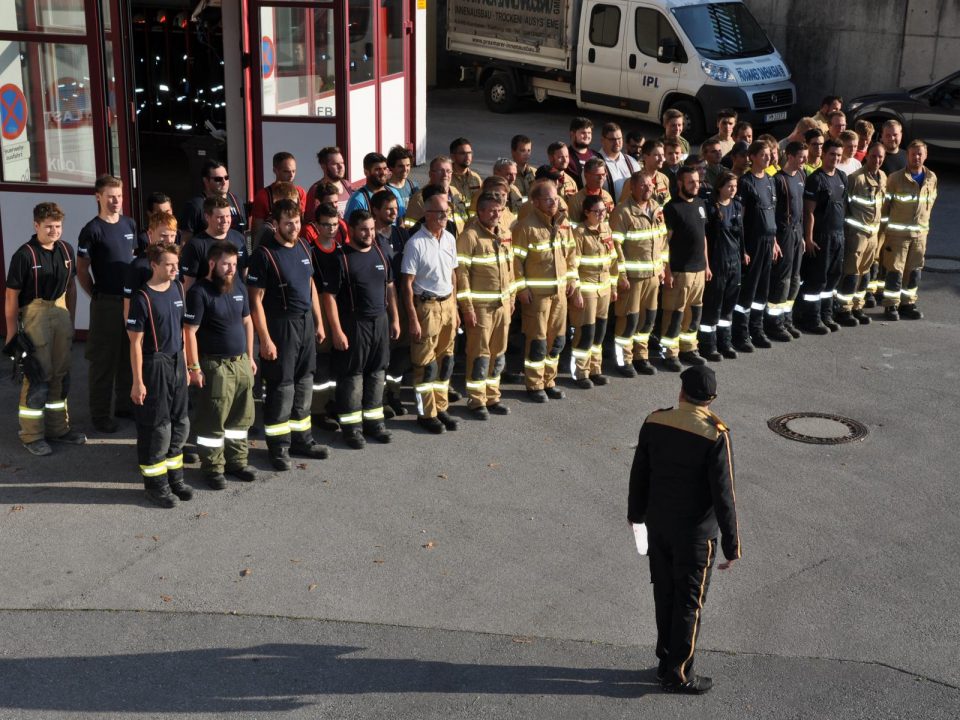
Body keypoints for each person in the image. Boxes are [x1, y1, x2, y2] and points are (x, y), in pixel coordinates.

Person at [627, 365, 740, 694]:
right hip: (695, 536)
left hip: (658, 527)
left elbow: (640, 474)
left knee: (664, 595)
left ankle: (666, 660)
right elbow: (724, 495)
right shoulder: (716, 434)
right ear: (712, 398)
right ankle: (679, 673)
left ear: (681, 392)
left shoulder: (655, 421)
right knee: (688, 603)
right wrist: (732, 548)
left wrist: (636, 515)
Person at [247, 199, 331, 469]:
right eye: (287, 223)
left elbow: (310, 285)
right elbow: (255, 300)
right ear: (276, 224)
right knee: (281, 388)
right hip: (281, 327)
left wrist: (318, 322)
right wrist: (266, 339)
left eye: (296, 222)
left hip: (305, 323)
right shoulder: (264, 254)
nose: (293, 227)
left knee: (304, 383)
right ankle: (278, 447)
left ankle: (302, 440)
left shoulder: (304, 246)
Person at [4, 202, 85, 455]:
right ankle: (31, 435)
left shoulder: (66, 250)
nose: (54, 231)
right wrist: (11, 335)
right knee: (38, 374)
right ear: (36, 225)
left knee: (61, 374)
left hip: (60, 312)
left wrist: (70, 320)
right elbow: (11, 297)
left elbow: (71, 288)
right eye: (48, 226)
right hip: (34, 313)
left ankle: (58, 429)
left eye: (58, 226)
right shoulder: (24, 255)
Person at [321, 210, 400, 448]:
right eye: (364, 229)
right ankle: (352, 429)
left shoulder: (380, 252)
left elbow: (390, 287)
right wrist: (337, 331)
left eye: (372, 229)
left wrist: (394, 319)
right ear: (352, 230)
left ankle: (374, 424)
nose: (369, 234)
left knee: (377, 373)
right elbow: (329, 297)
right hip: (355, 325)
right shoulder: (341, 258)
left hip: (380, 321)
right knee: (352, 376)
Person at [184, 242, 258, 488]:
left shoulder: (238, 286)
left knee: (240, 418)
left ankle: (237, 462)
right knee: (212, 419)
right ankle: (213, 468)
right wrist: (194, 367)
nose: (231, 269)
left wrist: (250, 356)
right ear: (212, 263)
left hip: (241, 364)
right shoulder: (199, 292)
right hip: (215, 367)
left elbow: (247, 322)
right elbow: (190, 332)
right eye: (226, 264)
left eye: (235, 264)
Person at [126, 242, 193, 508]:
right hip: (155, 365)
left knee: (180, 423)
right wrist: (138, 381)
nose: (175, 268)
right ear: (154, 265)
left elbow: (181, 333)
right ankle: (156, 485)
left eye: (176, 263)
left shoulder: (178, 288)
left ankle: (174, 478)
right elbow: (134, 343)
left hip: (176, 363)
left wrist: (186, 366)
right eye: (169, 264)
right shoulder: (142, 298)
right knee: (157, 428)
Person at [77, 174, 138, 433]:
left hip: (129, 301)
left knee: (127, 355)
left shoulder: (129, 224)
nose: (116, 201)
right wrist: (97, 296)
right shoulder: (92, 230)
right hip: (106, 304)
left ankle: (124, 405)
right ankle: (100, 415)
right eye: (111, 196)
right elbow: (82, 271)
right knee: (103, 361)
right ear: (98, 197)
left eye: (119, 196)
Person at [512, 180, 577, 401]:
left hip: (560, 293)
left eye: (556, 198)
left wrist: (572, 281)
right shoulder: (525, 227)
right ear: (536, 201)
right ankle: (534, 384)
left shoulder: (563, 224)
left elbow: (571, 256)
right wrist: (521, 288)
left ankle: (550, 381)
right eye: (548, 199)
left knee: (557, 340)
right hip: (537, 296)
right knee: (538, 341)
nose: (554, 202)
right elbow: (515, 262)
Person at [401, 192, 460, 433]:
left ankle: (441, 407)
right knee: (426, 365)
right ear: (427, 214)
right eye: (440, 213)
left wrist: (455, 308)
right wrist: (413, 319)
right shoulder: (415, 243)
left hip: (447, 305)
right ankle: (426, 414)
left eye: (447, 213)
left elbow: (453, 275)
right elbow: (406, 284)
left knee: (445, 362)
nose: (445, 217)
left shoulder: (449, 238)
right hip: (426, 308)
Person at [456, 192, 515, 417]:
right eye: (491, 210)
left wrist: (510, 299)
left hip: (502, 306)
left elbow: (510, 271)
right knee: (480, 355)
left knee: (498, 353)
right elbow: (462, 276)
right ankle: (476, 400)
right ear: (479, 211)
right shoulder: (469, 237)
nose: (496, 214)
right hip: (481, 309)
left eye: (499, 210)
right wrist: (468, 309)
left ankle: (492, 396)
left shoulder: (504, 234)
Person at [609, 173, 665, 377]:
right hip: (632, 277)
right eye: (643, 185)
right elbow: (615, 247)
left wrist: (661, 268)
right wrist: (621, 275)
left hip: (652, 276)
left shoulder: (657, 209)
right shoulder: (622, 212)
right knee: (628, 319)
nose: (647, 188)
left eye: (650, 185)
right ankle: (624, 360)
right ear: (632, 187)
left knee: (648, 319)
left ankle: (641, 356)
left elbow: (663, 240)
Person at [660, 166, 710, 372]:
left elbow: (703, 237)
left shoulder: (700, 204)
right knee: (674, 314)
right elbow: (664, 243)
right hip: (680, 271)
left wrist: (706, 264)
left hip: (699, 270)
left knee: (694, 313)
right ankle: (669, 353)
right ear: (680, 183)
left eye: (697, 182)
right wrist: (668, 271)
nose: (695, 186)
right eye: (691, 182)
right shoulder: (672, 209)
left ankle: (689, 348)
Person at [880, 139, 937, 321]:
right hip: (898, 236)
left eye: (920, 154)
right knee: (895, 270)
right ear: (907, 156)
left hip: (920, 236)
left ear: (926, 155)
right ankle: (891, 305)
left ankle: (908, 303)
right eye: (913, 154)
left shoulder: (931, 178)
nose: (917, 157)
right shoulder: (895, 179)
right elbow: (885, 206)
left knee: (914, 271)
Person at [732, 142, 781, 352]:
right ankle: (741, 333)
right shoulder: (745, 182)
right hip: (752, 243)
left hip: (769, 241)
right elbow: (740, 219)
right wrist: (742, 248)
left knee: (763, 288)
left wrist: (776, 242)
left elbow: (772, 212)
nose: (767, 158)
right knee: (748, 290)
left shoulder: (770, 180)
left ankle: (757, 328)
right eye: (762, 155)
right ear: (752, 157)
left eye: (769, 155)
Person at [797, 139, 847, 334]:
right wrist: (809, 238)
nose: (835, 158)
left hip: (838, 236)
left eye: (838, 155)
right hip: (821, 237)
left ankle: (826, 315)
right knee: (817, 279)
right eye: (832, 154)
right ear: (824, 155)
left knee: (832, 277)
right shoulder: (816, 179)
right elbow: (808, 212)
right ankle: (811, 318)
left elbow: (842, 206)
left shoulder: (842, 177)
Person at [569, 194, 618, 388]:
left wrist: (613, 285)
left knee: (599, 332)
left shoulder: (606, 228)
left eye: (603, 211)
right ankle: (580, 372)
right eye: (596, 212)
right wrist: (576, 292)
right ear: (586, 213)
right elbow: (572, 265)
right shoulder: (579, 233)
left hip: (604, 288)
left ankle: (595, 369)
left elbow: (613, 259)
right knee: (586, 332)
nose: (600, 215)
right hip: (587, 289)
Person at [835, 142, 886, 326]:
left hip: (873, 235)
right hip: (856, 234)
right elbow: (845, 207)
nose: (877, 160)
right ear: (867, 156)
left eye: (880, 157)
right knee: (851, 272)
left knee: (865, 273)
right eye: (873, 156)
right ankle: (843, 309)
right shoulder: (856, 179)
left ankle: (857, 306)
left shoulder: (883, 177)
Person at [369, 191, 411, 418]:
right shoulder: (370, 237)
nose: (394, 213)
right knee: (382, 354)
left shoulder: (402, 234)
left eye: (396, 208)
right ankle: (381, 398)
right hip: (381, 304)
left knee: (402, 352)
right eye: (388, 209)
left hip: (403, 301)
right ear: (375, 211)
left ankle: (394, 393)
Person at [698, 173, 746, 362]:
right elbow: (705, 238)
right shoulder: (710, 207)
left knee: (728, 305)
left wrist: (744, 253)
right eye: (729, 186)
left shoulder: (736, 206)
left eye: (735, 186)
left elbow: (740, 232)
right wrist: (707, 264)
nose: (733, 189)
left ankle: (724, 342)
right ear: (720, 187)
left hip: (734, 260)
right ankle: (708, 345)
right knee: (713, 305)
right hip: (717, 261)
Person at [304, 202, 342, 432]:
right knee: (322, 363)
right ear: (316, 226)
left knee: (336, 363)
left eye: (335, 224)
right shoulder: (310, 252)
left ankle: (333, 402)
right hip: (320, 313)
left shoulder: (340, 249)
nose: (331, 229)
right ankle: (318, 410)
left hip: (338, 311)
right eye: (326, 225)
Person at [769, 141, 809, 339]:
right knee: (782, 280)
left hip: (796, 233)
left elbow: (801, 210)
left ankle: (787, 319)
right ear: (790, 156)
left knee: (795, 279)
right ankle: (775, 324)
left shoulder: (802, 175)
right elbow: (773, 214)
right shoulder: (778, 180)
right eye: (801, 156)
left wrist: (801, 236)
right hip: (783, 233)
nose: (805, 160)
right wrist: (775, 241)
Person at [180, 196, 248, 291]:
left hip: (236, 301)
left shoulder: (239, 238)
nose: (225, 221)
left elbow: (244, 274)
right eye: (220, 217)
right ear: (207, 217)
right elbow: (188, 286)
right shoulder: (195, 245)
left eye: (228, 216)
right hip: (208, 301)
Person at [125, 211, 179, 321]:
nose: (169, 240)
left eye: (172, 235)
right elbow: (128, 306)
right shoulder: (138, 265)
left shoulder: (176, 261)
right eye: (163, 236)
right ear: (150, 234)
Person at [178, 160, 247, 244]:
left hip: (236, 254)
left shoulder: (236, 201)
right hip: (208, 254)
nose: (224, 182)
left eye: (226, 177)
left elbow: (243, 232)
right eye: (218, 179)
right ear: (206, 181)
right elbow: (185, 241)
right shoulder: (196, 205)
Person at [404, 156, 470, 235]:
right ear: (430, 174)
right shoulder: (420, 199)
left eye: (448, 171)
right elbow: (410, 229)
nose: (445, 175)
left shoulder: (456, 193)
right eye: (440, 171)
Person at [250, 151, 307, 234]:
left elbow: (302, 222)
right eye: (286, 171)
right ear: (275, 170)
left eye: (294, 171)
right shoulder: (263, 196)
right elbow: (256, 231)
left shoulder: (300, 193)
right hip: (271, 243)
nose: (291, 175)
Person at [343, 152, 402, 218]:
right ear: (366, 172)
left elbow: (401, 221)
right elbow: (350, 227)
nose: (383, 173)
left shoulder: (394, 193)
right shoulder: (358, 200)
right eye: (378, 169)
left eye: (385, 168)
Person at [306, 146, 354, 220]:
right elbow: (311, 221)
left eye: (342, 163)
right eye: (335, 164)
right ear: (323, 167)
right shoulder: (315, 190)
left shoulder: (347, 184)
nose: (341, 167)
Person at [599, 122, 640, 199]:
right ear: (602, 140)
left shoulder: (632, 162)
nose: (617, 143)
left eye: (619, 138)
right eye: (612, 139)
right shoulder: (594, 163)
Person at [566, 157, 614, 225]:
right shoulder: (575, 201)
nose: (601, 178)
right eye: (597, 175)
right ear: (586, 175)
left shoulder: (607, 196)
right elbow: (574, 228)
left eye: (603, 174)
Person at [387, 144, 419, 221]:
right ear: (391, 167)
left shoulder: (414, 186)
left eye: (408, 165)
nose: (405, 169)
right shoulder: (385, 189)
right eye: (400, 166)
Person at [566, 117, 599, 189]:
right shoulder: (565, 157)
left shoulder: (597, 156)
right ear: (572, 134)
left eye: (589, 133)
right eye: (583, 133)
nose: (587, 136)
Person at [511, 134, 537, 199]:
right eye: (522, 150)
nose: (526, 154)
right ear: (513, 151)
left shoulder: (535, 173)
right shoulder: (507, 174)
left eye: (529, 150)